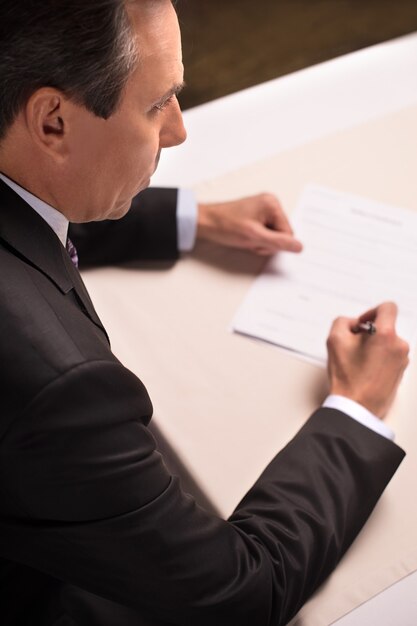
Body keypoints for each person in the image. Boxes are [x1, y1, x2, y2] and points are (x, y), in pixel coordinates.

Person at [0, 1, 409, 625]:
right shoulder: (64, 390)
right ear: (52, 121)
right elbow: (239, 591)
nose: (178, 130)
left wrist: (192, 218)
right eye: (157, 103)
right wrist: (356, 410)